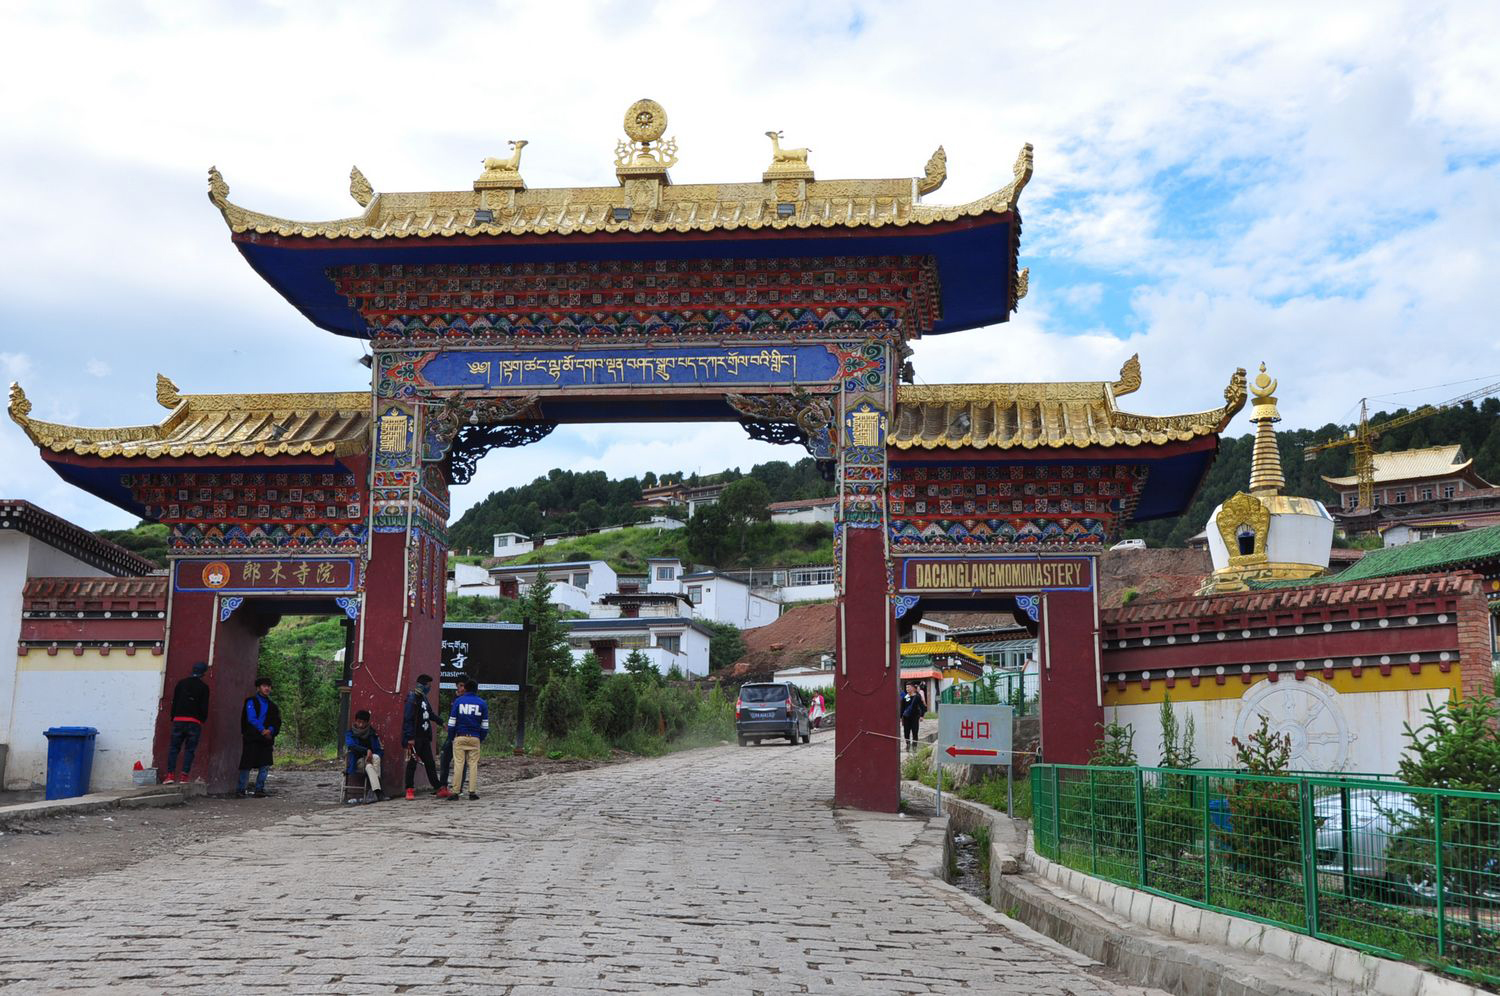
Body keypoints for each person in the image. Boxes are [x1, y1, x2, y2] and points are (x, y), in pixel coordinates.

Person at [163, 661, 210, 784]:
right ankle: (184, 777)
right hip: (194, 722)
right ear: (203, 673)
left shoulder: (181, 683)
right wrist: (201, 719)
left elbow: (175, 702)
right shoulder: (204, 687)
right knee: (190, 750)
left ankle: (170, 776)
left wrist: (173, 717)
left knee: (174, 748)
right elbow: (204, 707)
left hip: (178, 720)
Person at [403, 673, 447, 800]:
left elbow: (430, 714)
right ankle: (409, 789)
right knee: (412, 764)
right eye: (428, 685)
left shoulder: (424, 698)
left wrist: (441, 722)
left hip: (424, 737)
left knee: (430, 763)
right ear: (422, 685)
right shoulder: (412, 699)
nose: (429, 688)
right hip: (415, 737)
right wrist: (409, 737)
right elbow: (408, 719)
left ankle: (438, 788)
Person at [236, 676, 280, 798]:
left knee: (265, 765)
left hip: (266, 739)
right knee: (246, 765)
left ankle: (259, 789)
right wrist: (262, 730)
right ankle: (241, 789)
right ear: (258, 688)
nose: (267, 688)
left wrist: (270, 730)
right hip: (252, 737)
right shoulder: (251, 702)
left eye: (269, 686)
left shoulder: (273, 706)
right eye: (264, 686)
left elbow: (276, 721)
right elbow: (251, 718)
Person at [446, 680, 489, 801]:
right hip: (475, 737)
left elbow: (452, 722)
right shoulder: (482, 703)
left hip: (460, 736)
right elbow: (485, 726)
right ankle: (472, 792)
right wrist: (480, 738)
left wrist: (452, 737)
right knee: (473, 764)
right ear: (476, 689)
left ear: (465, 689)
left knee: (459, 764)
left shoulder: (458, 701)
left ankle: (455, 792)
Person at [344, 710, 386, 803]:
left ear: (367, 723)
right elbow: (351, 746)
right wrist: (367, 751)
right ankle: (378, 792)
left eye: (363, 722)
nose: (360, 725)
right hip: (357, 761)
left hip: (371, 761)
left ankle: (373, 792)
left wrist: (370, 756)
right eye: (359, 722)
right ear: (355, 721)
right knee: (371, 763)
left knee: (373, 761)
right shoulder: (350, 733)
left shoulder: (372, 734)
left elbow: (379, 750)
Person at [900, 681, 926, 751]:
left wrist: (922, 716)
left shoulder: (917, 696)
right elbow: (902, 708)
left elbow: (922, 706)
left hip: (915, 717)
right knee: (906, 732)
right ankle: (908, 744)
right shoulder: (905, 697)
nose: (907, 689)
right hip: (906, 718)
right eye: (906, 687)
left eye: (908, 687)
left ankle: (914, 747)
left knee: (915, 732)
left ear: (912, 688)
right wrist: (900, 717)